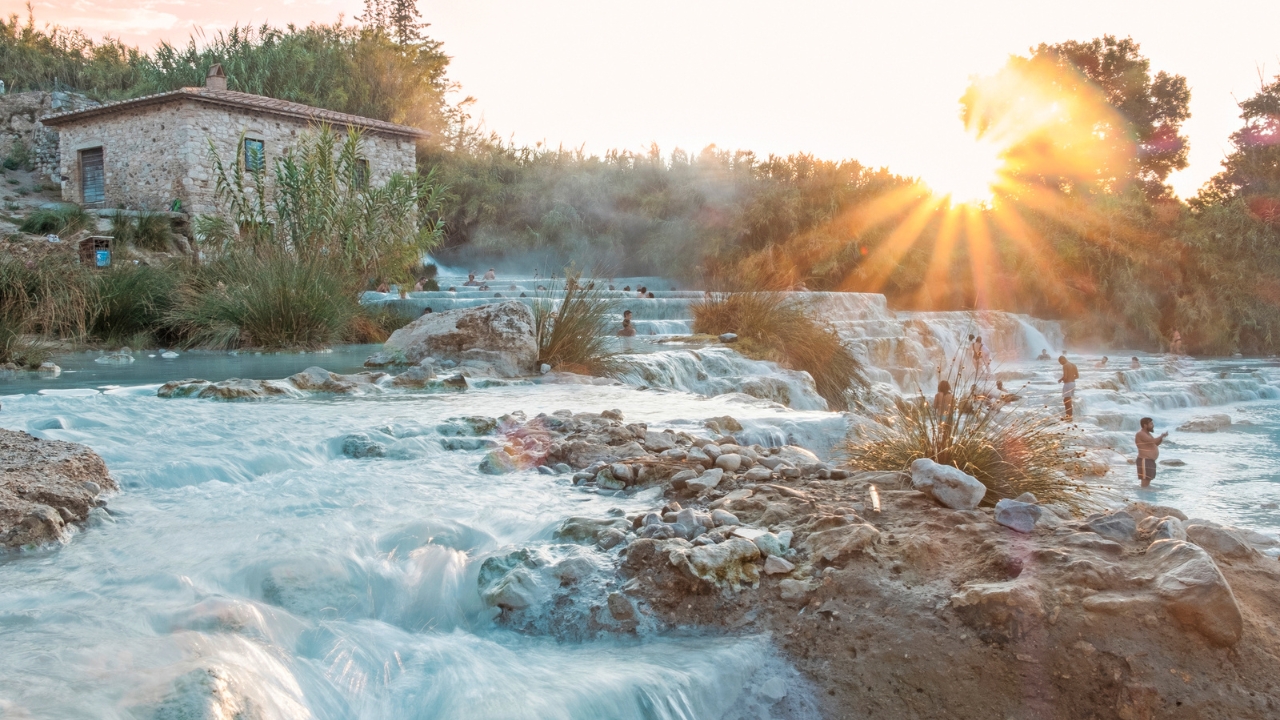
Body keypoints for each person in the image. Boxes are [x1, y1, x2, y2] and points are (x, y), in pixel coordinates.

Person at [1135, 417, 1167, 488]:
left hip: (1149, 461)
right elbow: (1153, 441)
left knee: (1148, 482)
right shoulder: (1140, 433)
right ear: (1145, 425)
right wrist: (1161, 436)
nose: (1153, 425)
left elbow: (1155, 444)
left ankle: (1145, 497)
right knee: (1144, 483)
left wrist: (1161, 438)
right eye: (1151, 424)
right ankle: (1142, 497)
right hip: (1144, 460)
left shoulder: (1147, 434)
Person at [1058, 355, 1079, 421]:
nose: (1061, 364)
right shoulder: (1073, 365)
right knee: (1069, 399)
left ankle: (1068, 415)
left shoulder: (1065, 365)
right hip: (1073, 383)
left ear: (1063, 359)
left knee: (1066, 400)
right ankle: (1070, 415)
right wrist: (1071, 378)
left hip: (1068, 384)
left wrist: (1060, 379)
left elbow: (1065, 376)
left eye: (1060, 362)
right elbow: (1077, 376)